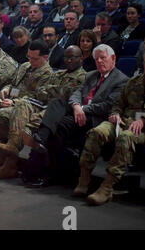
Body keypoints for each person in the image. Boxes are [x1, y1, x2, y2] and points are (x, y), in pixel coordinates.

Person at [22, 44, 129, 186]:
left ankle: (44, 168)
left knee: (57, 127)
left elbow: (107, 106)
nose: (99, 62)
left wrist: (82, 108)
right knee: (56, 103)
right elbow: (76, 94)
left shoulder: (121, 80)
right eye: (96, 59)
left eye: (103, 58)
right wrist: (76, 106)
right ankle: (42, 139)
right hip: (78, 112)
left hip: (94, 118)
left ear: (113, 58)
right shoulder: (91, 75)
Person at [0, 46, 85, 181]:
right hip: (43, 104)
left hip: (61, 111)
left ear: (81, 58)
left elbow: (66, 96)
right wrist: (53, 91)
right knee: (22, 103)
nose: (69, 60)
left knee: (32, 119)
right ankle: (12, 149)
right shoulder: (59, 73)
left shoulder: (83, 77)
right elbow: (41, 92)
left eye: (73, 57)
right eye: (66, 57)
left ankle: (10, 163)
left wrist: (52, 91)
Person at [74, 50, 145, 205]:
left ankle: (107, 187)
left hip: (142, 128)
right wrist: (116, 114)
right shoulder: (134, 82)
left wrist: (143, 120)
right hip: (123, 121)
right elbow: (118, 104)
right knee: (97, 132)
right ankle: (84, 178)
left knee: (126, 137)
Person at [0, 40, 53, 179]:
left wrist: (14, 101)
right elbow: (13, 84)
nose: (30, 61)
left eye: (34, 58)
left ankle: (9, 160)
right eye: (28, 57)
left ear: (45, 57)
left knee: (2, 114)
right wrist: (6, 90)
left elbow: (38, 99)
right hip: (9, 101)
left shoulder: (48, 74)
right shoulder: (24, 66)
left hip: (28, 108)